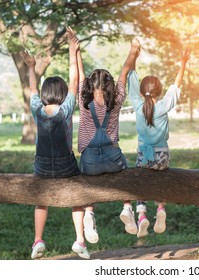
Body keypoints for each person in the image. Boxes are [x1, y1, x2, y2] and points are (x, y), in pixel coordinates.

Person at [22, 27, 90, 260]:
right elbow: (75, 80)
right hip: (66, 167)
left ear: (44, 93)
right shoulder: (66, 108)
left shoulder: (37, 109)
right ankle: (80, 240)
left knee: (41, 201)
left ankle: (38, 240)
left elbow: (32, 88)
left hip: (41, 167)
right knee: (79, 197)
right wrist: (73, 50)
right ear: (62, 93)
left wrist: (31, 67)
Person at [120, 45, 191, 238]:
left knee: (140, 182)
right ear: (159, 91)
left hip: (144, 155)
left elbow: (132, 78)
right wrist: (183, 63)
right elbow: (176, 86)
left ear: (142, 93)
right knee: (161, 179)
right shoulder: (163, 106)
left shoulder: (137, 105)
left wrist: (134, 54)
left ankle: (142, 215)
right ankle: (160, 208)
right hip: (162, 156)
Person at [76, 37, 141, 244]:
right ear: (110, 86)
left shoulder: (83, 101)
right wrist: (133, 50)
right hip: (113, 159)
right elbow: (124, 70)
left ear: (89, 85)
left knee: (89, 183)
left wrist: (75, 50)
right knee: (126, 172)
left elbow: (79, 72)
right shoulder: (117, 100)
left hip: (90, 162)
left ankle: (88, 214)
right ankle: (127, 208)